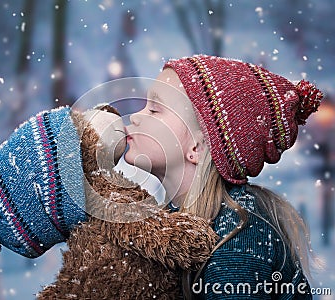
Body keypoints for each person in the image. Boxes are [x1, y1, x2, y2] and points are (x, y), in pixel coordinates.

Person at [124, 54, 323, 299]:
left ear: (197, 148)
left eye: (154, 109)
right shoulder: (175, 222)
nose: (135, 116)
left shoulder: (235, 243)